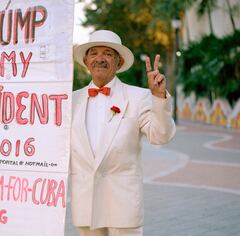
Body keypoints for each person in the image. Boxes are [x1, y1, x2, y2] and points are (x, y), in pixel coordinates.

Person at [70, 30, 176, 236]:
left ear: (118, 63)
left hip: (123, 202)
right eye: (94, 53)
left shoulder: (140, 97)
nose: (100, 58)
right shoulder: (70, 101)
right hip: (85, 201)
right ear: (86, 61)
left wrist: (159, 97)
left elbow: (161, 136)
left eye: (108, 53)